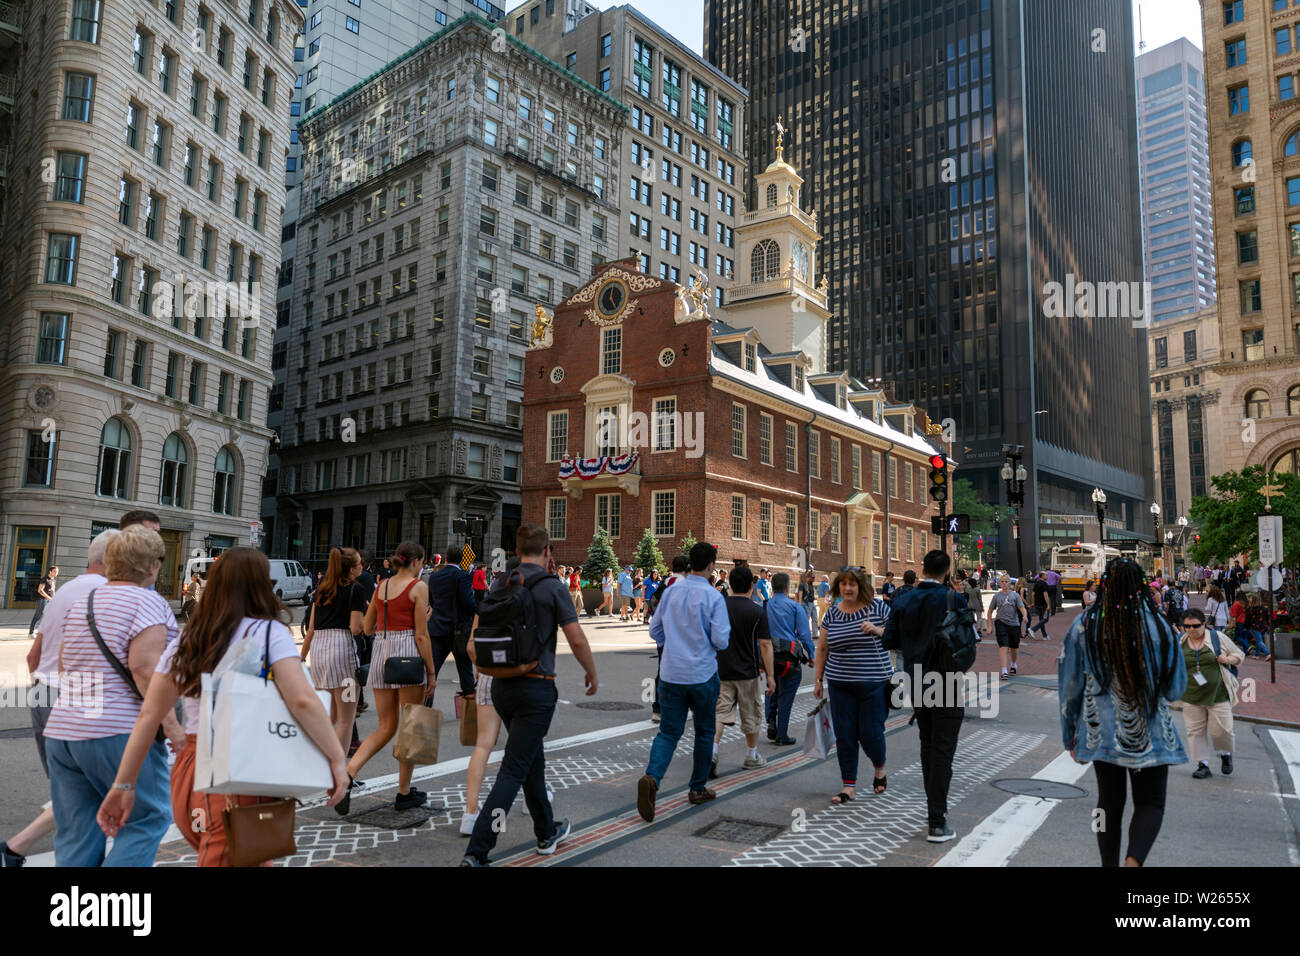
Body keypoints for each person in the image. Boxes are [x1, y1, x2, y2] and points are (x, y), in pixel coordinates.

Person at [98, 548, 348, 866]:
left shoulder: (189, 640)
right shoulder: (267, 631)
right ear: (262, 586)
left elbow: (149, 714)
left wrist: (124, 785)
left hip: (189, 771)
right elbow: (302, 700)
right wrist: (336, 757)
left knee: (248, 857)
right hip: (237, 775)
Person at [42, 526, 184, 866]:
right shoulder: (148, 602)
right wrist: (173, 726)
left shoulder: (84, 602)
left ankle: (81, 912)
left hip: (64, 732)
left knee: (77, 832)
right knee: (145, 820)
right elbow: (145, 671)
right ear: (151, 566)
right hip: (117, 732)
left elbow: (63, 666)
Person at [462, 524, 598, 865]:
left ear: (518, 550)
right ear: (548, 550)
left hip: (501, 685)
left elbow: (476, 637)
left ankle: (546, 832)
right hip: (536, 686)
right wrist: (591, 672)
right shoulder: (552, 587)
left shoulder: (500, 582)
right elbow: (576, 637)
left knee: (530, 760)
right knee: (513, 769)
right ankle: (477, 852)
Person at [1060, 558, 1188, 867]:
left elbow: (1069, 687)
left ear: (1104, 585)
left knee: (1107, 804)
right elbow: (1176, 689)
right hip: (1152, 732)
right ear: (1142, 587)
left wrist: (1070, 737)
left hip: (1100, 732)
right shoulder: (1160, 626)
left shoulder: (1085, 625)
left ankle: (1109, 864)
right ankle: (1134, 861)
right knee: (1151, 803)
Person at [3, 531, 120, 867]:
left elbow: (32, 657)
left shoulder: (66, 589)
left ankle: (16, 850)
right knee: (95, 796)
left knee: (69, 790)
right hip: (76, 699)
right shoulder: (107, 593)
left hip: (43, 693)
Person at [339, 542, 436, 814]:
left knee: (386, 727)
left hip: (382, 653)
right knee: (411, 726)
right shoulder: (418, 587)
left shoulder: (381, 587)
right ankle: (404, 792)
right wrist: (430, 671)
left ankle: (348, 774)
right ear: (416, 562)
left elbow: (367, 629)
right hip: (407, 654)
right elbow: (420, 635)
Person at [637, 542, 729, 823]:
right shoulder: (714, 598)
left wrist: (672, 646)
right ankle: (697, 787)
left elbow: (655, 629)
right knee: (703, 732)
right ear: (712, 565)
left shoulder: (673, 591)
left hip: (671, 673)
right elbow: (721, 640)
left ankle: (652, 778)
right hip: (702, 674)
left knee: (668, 732)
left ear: (690, 564)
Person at [882, 549, 964, 843]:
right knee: (943, 750)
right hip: (948, 681)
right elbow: (968, 643)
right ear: (947, 570)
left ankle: (934, 814)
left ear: (923, 568)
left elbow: (889, 640)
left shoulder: (903, 600)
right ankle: (937, 820)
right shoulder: (953, 598)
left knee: (928, 746)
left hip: (917, 680)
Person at [815, 568, 892, 804]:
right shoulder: (832, 615)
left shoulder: (878, 608)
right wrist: (818, 679)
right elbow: (822, 648)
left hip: (875, 682)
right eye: (844, 584)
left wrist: (877, 630)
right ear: (838, 587)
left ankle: (880, 767)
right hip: (840, 683)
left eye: (853, 584)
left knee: (870, 732)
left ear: (861, 587)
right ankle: (848, 785)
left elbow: (896, 637)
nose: (848, 589)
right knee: (845, 735)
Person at [300, 547, 367, 754]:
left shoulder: (322, 588)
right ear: (351, 569)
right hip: (343, 653)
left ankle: (316, 758)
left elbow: (310, 629)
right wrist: (369, 618)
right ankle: (338, 772)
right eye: (359, 564)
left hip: (319, 651)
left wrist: (301, 658)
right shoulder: (356, 590)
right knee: (347, 719)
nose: (362, 567)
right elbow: (356, 628)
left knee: (329, 715)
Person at [710, 565, 774, 778]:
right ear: (751, 585)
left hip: (721, 669)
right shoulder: (757, 611)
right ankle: (751, 755)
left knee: (720, 712)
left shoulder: (718, 606)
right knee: (752, 714)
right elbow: (765, 644)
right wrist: (771, 676)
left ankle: (712, 751)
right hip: (748, 671)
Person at [1178, 608, 1243, 781]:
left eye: (1195, 626)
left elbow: (1239, 654)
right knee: (1195, 731)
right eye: (1187, 626)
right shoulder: (1180, 641)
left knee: (1222, 730)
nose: (1191, 629)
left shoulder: (1217, 638)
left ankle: (1225, 754)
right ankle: (1203, 765)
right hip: (1191, 694)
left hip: (1218, 693)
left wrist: (1227, 659)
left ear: (1204, 624)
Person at [764, 572, 814, 745]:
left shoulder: (765, 605)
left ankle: (770, 720)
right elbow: (804, 634)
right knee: (787, 693)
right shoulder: (794, 607)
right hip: (789, 656)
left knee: (772, 686)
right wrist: (811, 655)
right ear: (787, 588)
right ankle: (782, 734)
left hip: (769, 654)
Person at [425, 556, 478, 702]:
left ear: (446, 559)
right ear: (461, 560)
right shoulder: (463, 576)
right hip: (458, 629)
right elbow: (468, 602)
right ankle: (469, 711)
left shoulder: (434, 576)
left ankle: (424, 707)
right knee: (465, 667)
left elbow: (431, 600)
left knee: (432, 669)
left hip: (437, 627)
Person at [650, 556, 690, 724]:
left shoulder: (665, 582)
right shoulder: (686, 585)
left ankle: (658, 709)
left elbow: (653, 603)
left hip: (664, 636)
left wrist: (661, 639)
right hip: (681, 638)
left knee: (662, 672)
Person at [985, 573, 1028, 681]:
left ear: (1010, 583)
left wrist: (1025, 616)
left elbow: (1022, 608)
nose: (1004, 584)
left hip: (1014, 624)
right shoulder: (996, 596)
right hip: (1001, 623)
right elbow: (990, 611)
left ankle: (1013, 664)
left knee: (1014, 648)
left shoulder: (1015, 595)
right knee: (1003, 646)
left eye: (1006, 581)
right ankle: (1004, 671)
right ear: (999, 583)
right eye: (1002, 582)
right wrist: (989, 625)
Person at [28, 566, 58, 636]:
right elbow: (40, 590)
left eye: (57, 572)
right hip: (43, 600)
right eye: (54, 571)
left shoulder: (53, 580)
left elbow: (52, 591)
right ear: (50, 571)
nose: (56, 573)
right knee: (38, 615)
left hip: (51, 601)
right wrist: (49, 598)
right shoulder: (45, 579)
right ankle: (31, 633)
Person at [1242, 593, 1271, 660]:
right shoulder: (1264, 608)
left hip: (1254, 626)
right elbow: (1268, 618)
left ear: (1253, 600)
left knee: (1259, 641)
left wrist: (1245, 627)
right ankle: (1257, 655)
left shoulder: (1251, 609)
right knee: (1258, 640)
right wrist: (1268, 626)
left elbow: (1247, 619)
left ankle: (1267, 653)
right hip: (1263, 626)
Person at [1028, 571, 1051, 640]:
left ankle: (1045, 636)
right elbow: (1045, 594)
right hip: (1043, 604)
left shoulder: (1036, 583)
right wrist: (1048, 605)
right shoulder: (1044, 584)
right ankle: (1033, 629)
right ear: (1042, 576)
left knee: (1041, 620)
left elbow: (1033, 594)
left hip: (1038, 603)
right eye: (1046, 575)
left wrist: (1033, 603)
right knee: (1045, 619)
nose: (1047, 576)